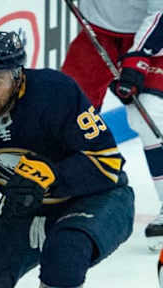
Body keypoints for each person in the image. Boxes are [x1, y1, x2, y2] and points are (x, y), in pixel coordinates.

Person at [0, 30, 134, 288]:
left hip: (97, 199)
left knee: (64, 254)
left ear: (18, 76)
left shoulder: (57, 93)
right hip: (24, 209)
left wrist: (50, 175)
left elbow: (107, 163)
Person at [61, 0, 163, 250]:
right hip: (97, 32)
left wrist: (137, 59)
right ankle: (58, 194)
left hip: (151, 37)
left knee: (147, 116)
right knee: (65, 111)